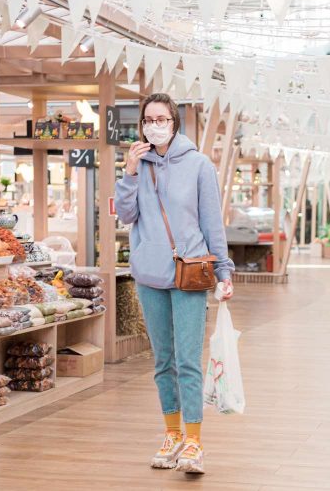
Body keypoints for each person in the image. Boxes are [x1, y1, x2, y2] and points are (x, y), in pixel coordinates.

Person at [114, 93, 235, 475]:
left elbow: (212, 223)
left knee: (187, 361)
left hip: (190, 275)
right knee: (162, 361)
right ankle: (171, 433)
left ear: (174, 122)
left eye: (162, 118)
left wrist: (224, 271)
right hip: (149, 275)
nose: (155, 124)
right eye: (148, 119)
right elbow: (126, 215)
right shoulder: (139, 165)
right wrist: (129, 172)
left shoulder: (199, 165)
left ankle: (195, 440)